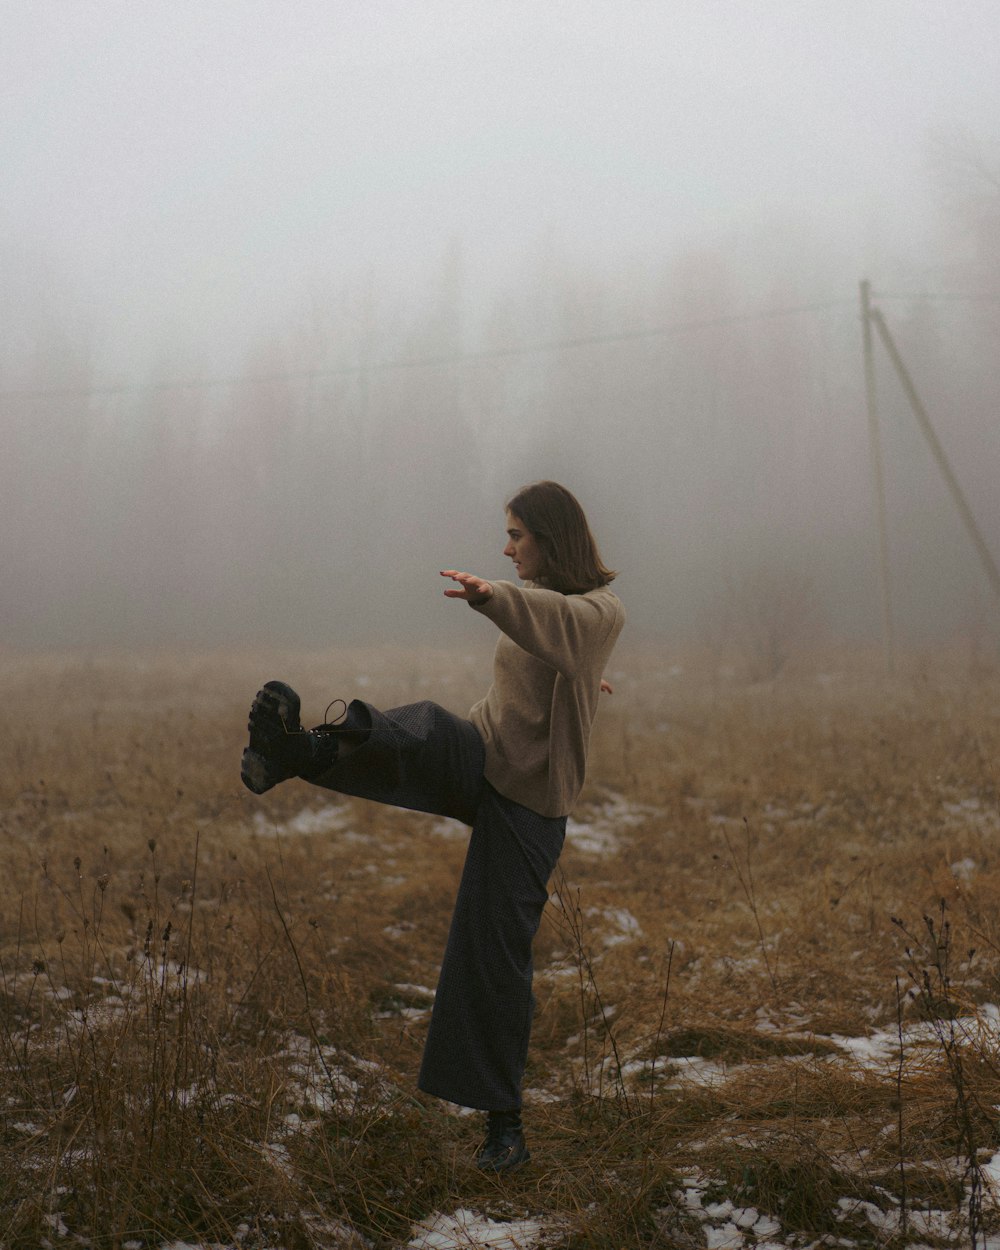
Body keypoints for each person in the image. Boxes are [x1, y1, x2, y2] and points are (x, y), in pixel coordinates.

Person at [240, 480, 624, 1171]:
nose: (507, 548)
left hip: (530, 806)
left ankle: (504, 1130)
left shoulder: (600, 612)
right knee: (420, 727)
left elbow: (563, 628)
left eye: (517, 535)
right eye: (506, 536)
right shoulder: (552, 621)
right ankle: (299, 751)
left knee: (490, 953)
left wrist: (491, 597)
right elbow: (547, 649)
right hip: (484, 754)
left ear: (551, 537)